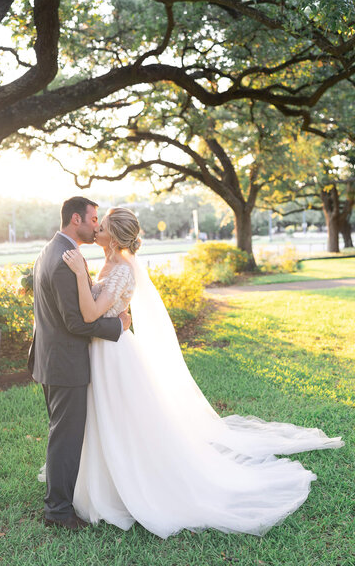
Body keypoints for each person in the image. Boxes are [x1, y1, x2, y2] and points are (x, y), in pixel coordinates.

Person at [58, 205, 344, 539]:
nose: (96, 230)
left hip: (114, 355)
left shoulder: (122, 269)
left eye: (102, 226)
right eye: (97, 224)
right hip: (101, 350)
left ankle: (130, 484)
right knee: (102, 417)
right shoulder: (107, 261)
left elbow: (91, 312)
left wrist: (80, 275)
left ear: (113, 237)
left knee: (121, 419)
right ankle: (98, 478)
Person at [28, 197, 131, 531]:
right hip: (65, 363)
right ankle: (57, 512)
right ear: (76, 219)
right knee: (66, 438)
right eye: (93, 219)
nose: (96, 225)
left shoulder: (52, 250)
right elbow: (77, 322)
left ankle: (64, 499)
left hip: (52, 358)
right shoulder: (65, 259)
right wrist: (119, 326)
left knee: (64, 434)